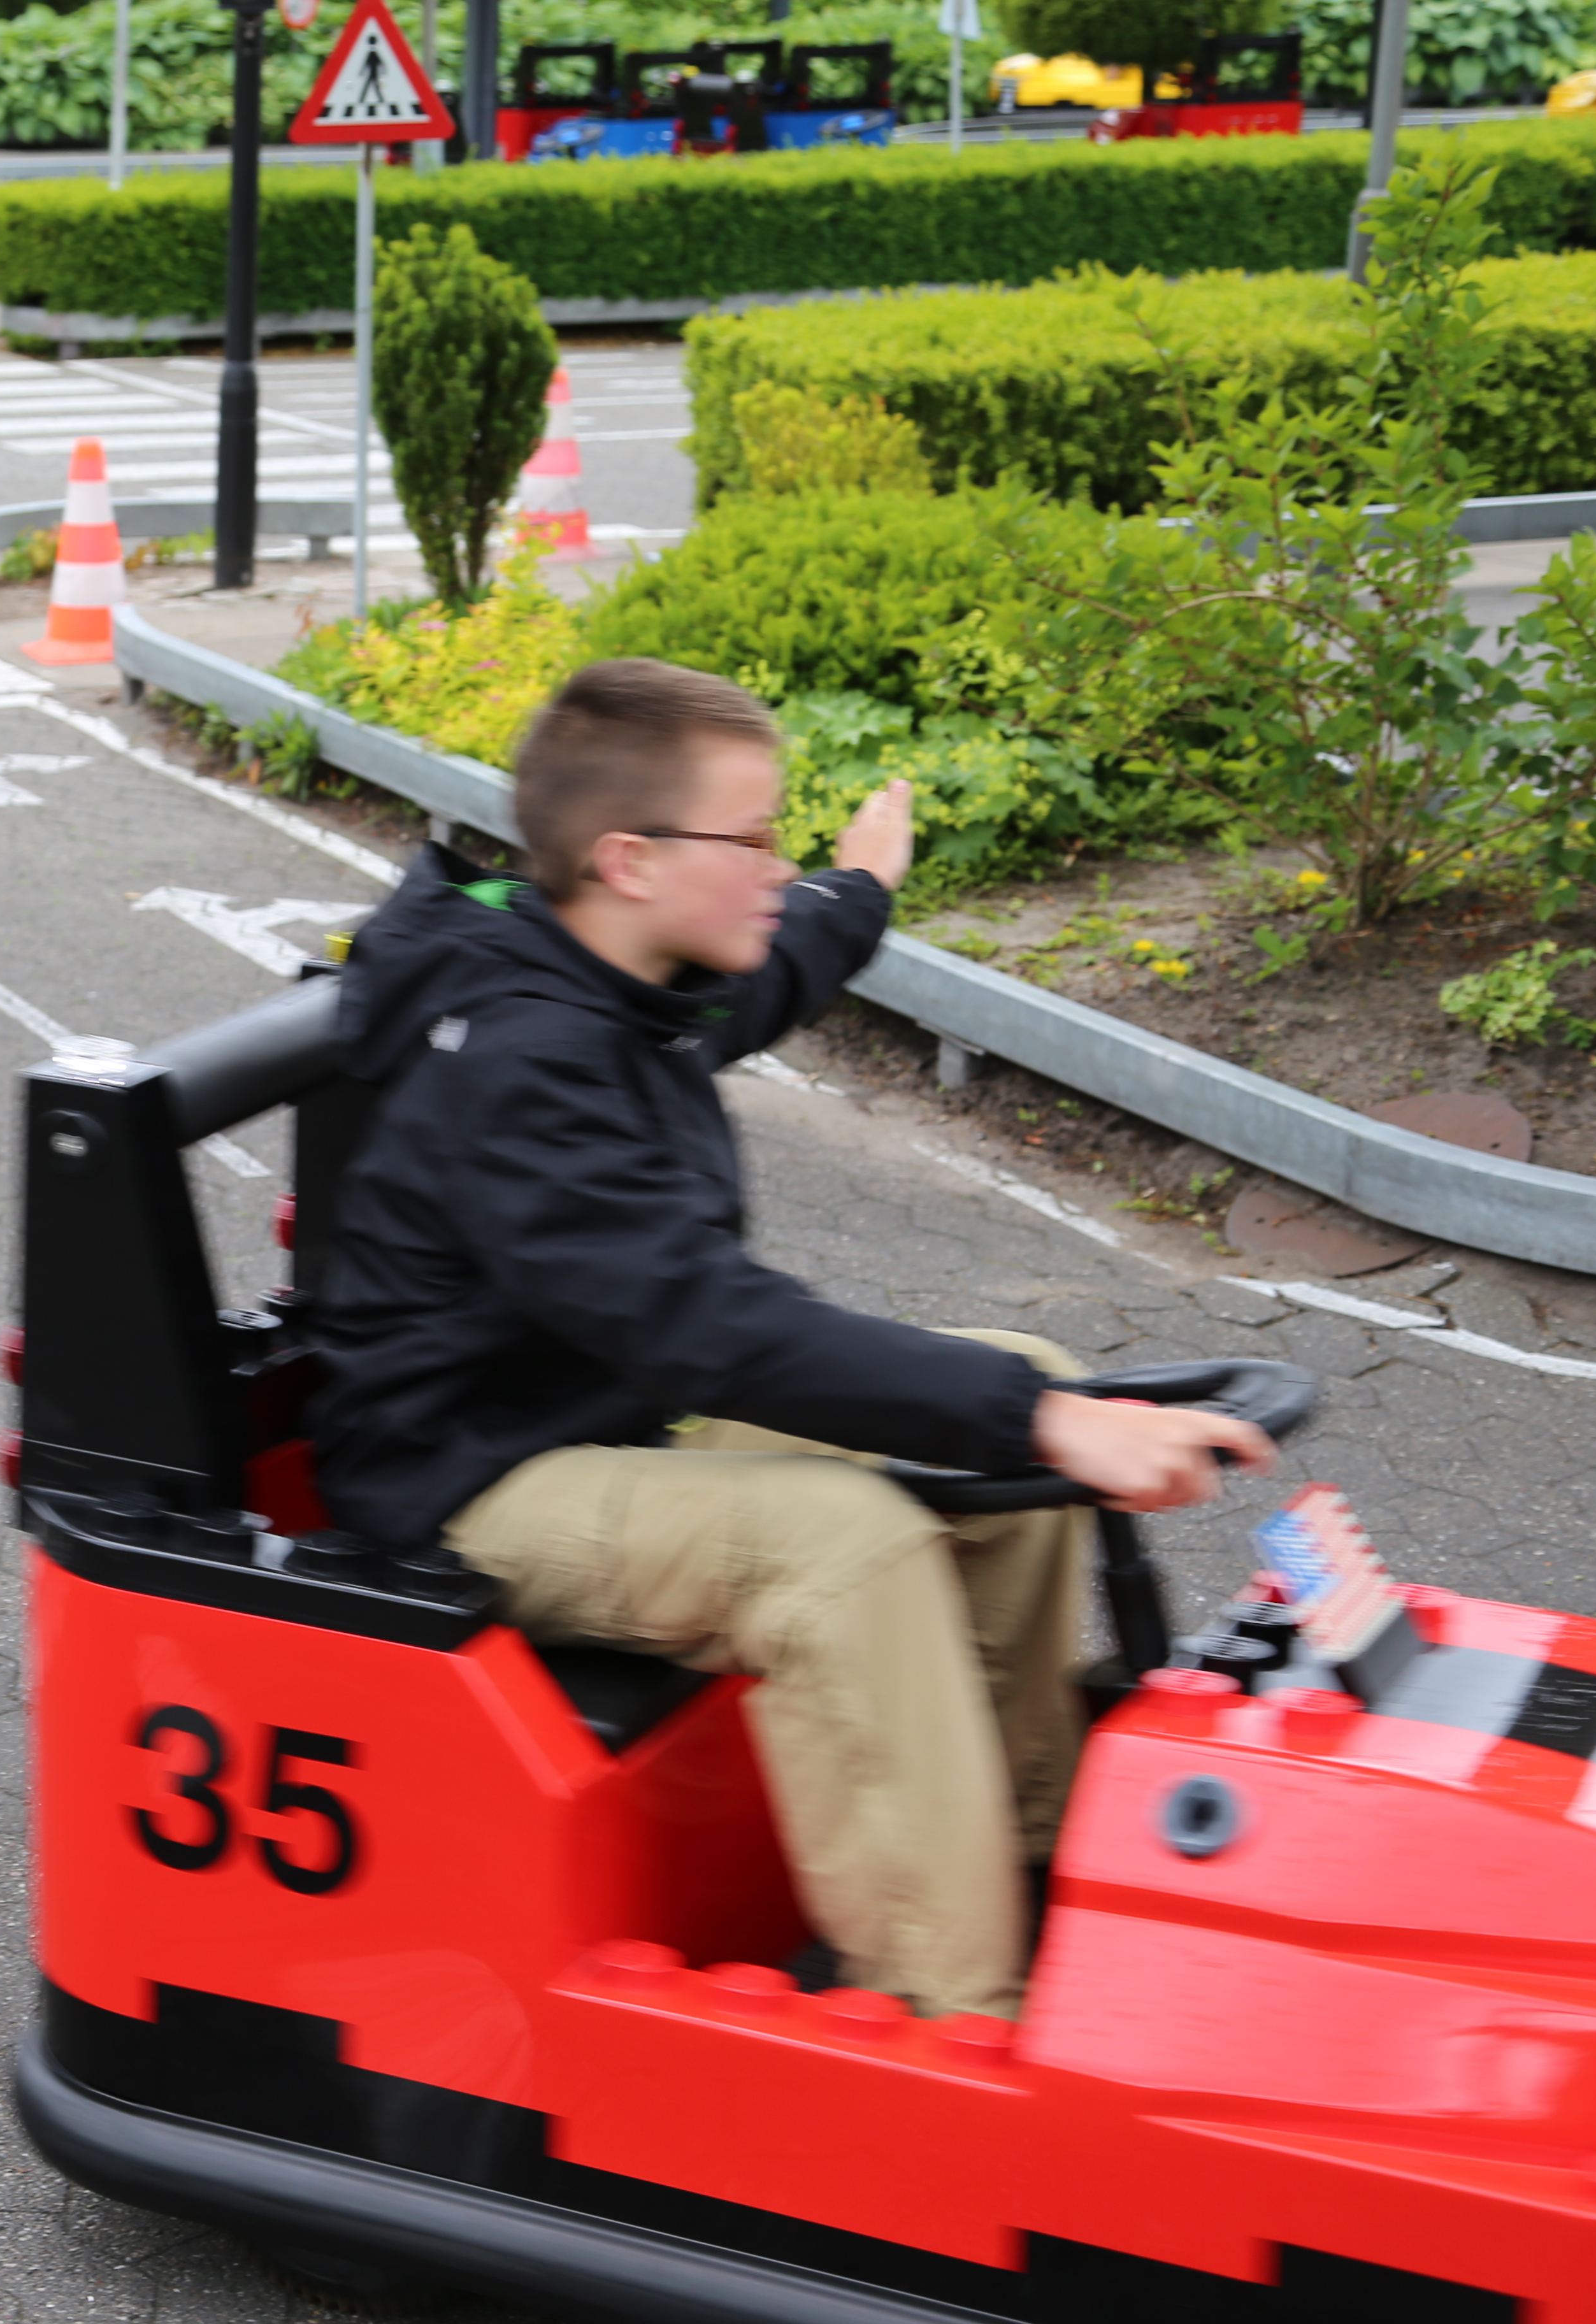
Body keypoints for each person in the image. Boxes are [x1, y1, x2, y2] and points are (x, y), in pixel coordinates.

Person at [307, 657, 1274, 2023]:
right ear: (631, 859)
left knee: (1025, 1394)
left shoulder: (620, 969)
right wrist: (1050, 1425)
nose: (779, 863)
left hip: (606, 1413)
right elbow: (715, 1329)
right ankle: (950, 2013)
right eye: (757, 839)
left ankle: (1026, 1852)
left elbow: (760, 979)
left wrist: (857, 887)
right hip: (472, 1480)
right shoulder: (523, 1061)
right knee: (845, 1543)